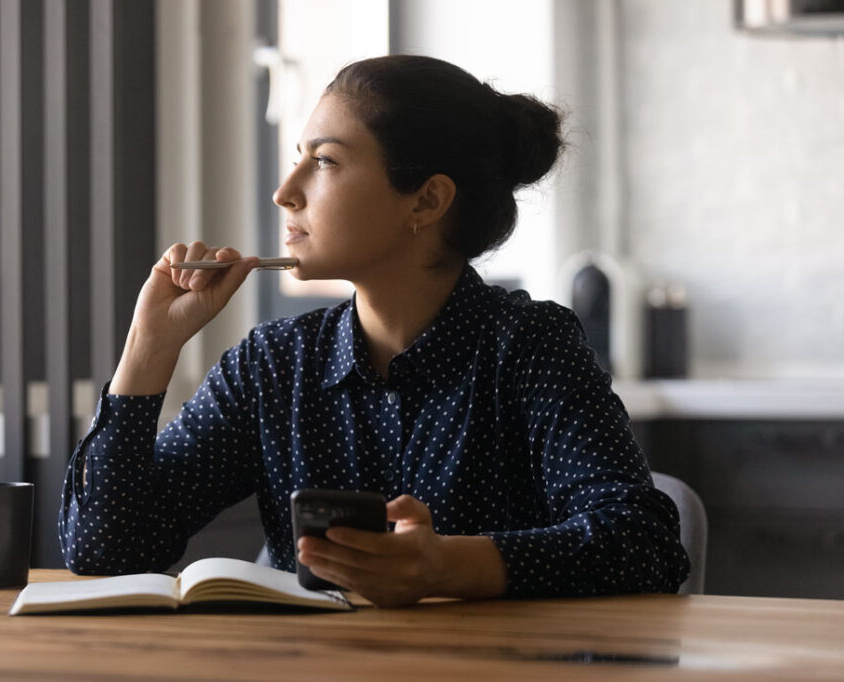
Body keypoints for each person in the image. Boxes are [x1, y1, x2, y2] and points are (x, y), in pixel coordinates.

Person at [58, 55, 690, 606]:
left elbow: (644, 544)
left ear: (426, 202)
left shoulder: (528, 347)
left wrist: (447, 565)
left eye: (325, 161)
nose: (285, 192)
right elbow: (104, 551)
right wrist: (151, 344)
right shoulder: (274, 365)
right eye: (296, 159)